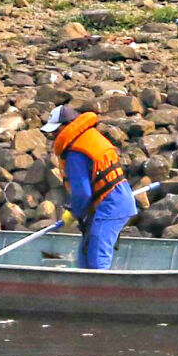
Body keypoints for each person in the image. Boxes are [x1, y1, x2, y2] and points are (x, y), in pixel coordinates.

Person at [41, 105, 137, 269]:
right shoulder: (87, 138)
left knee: (97, 256)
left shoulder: (75, 153)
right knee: (86, 252)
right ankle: (84, 290)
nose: (54, 136)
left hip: (112, 205)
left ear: (68, 125)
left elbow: (83, 193)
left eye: (56, 131)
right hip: (115, 200)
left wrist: (73, 213)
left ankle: (101, 291)